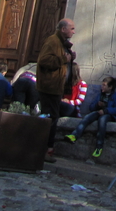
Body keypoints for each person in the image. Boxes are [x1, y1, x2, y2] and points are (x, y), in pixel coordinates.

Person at [37, 18, 76, 161]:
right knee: (49, 119)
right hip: (49, 88)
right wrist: (63, 60)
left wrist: (70, 58)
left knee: (52, 117)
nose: (74, 31)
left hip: (56, 88)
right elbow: (44, 60)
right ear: (63, 29)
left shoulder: (62, 43)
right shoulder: (53, 41)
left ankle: (45, 149)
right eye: (71, 28)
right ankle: (45, 150)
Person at [64, 76, 116, 158]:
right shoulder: (100, 95)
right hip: (99, 112)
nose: (102, 87)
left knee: (102, 120)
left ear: (110, 87)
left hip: (109, 115)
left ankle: (99, 146)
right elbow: (91, 107)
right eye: (102, 85)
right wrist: (97, 105)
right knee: (87, 117)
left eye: (104, 85)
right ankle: (74, 135)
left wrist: (106, 110)